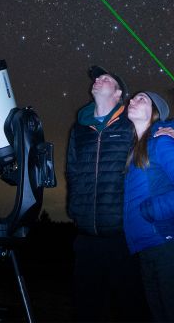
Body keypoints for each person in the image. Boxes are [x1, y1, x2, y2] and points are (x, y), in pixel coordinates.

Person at [65, 65, 148, 321]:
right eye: (97, 78)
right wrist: (75, 210)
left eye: (106, 78)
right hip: (86, 236)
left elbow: (155, 138)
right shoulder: (79, 129)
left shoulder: (130, 124)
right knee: (87, 309)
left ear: (119, 92)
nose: (98, 79)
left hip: (123, 236)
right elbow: (72, 170)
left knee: (131, 307)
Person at [124, 90, 174, 322]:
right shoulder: (134, 153)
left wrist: (150, 210)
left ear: (154, 113)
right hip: (147, 251)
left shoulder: (163, 142)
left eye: (142, 99)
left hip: (172, 250)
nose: (132, 100)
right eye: (133, 98)